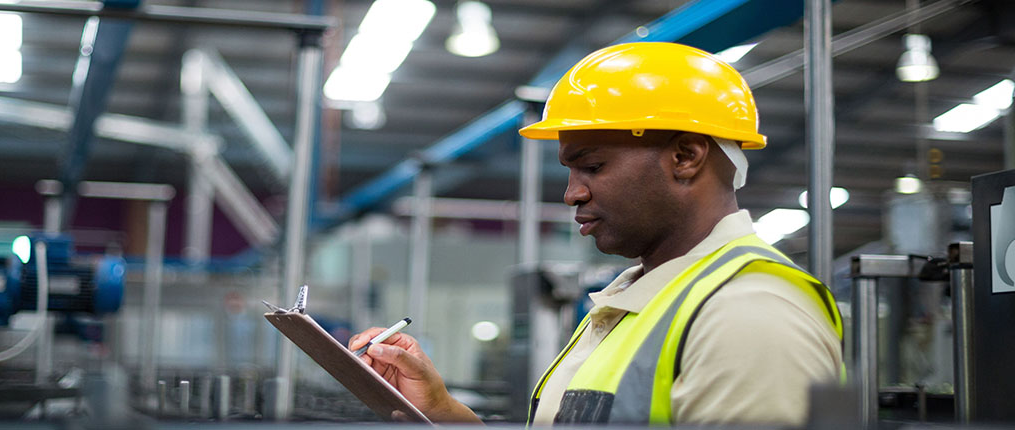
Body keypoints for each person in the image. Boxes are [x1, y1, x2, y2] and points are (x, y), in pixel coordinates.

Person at [348, 42, 843, 427]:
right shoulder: (637, 303)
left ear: (686, 157)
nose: (571, 195)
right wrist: (439, 411)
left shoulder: (748, 314)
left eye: (593, 166)